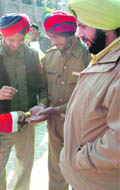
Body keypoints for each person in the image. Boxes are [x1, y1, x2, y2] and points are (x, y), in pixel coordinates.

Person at [0, 13, 47, 190]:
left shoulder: (33, 55)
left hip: (26, 123)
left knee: (24, 168)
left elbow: (43, 87)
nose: (16, 45)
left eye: (21, 40)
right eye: (11, 40)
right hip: (0, 123)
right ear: (3, 34)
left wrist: (42, 105)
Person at [58, 0, 120, 189]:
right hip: (85, 178)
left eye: (83, 26)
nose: (78, 34)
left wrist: (81, 159)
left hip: (97, 180)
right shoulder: (104, 56)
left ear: (104, 26)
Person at [27, 10, 91, 190]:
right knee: (56, 174)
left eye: (56, 37)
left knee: (82, 176)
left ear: (69, 32)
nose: (53, 41)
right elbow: (44, 88)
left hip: (82, 131)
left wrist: (56, 109)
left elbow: (91, 99)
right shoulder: (50, 56)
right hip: (55, 128)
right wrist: (42, 105)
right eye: (50, 37)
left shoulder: (90, 57)